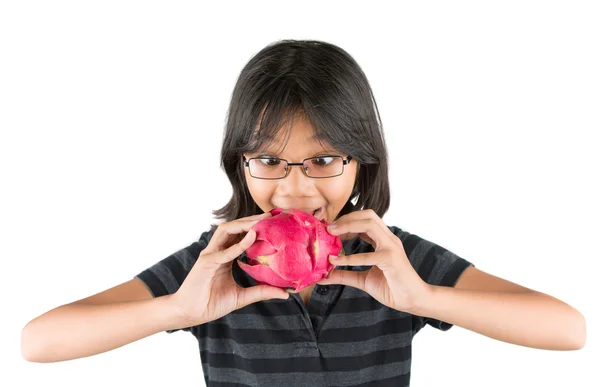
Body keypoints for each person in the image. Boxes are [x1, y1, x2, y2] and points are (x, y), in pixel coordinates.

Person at [21, 39, 586, 386]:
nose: (294, 189)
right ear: (238, 162)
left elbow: (569, 329)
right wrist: (177, 308)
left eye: (322, 159)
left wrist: (423, 298)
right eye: (269, 159)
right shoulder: (216, 262)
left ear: (362, 161)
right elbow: (38, 343)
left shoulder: (392, 258)